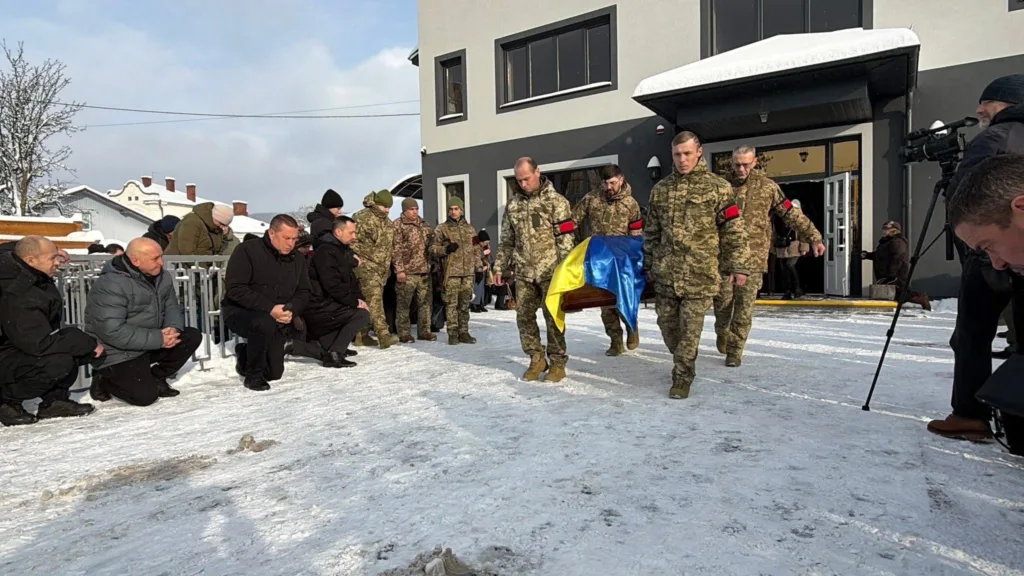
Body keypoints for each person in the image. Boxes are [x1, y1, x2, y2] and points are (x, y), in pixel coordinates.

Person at [929, 75, 1024, 441]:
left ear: (1008, 104)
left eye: (988, 103)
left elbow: (965, 201)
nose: (979, 110)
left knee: (971, 333)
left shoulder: (996, 137)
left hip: (990, 253)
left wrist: (982, 247)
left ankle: (969, 412)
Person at [644, 131, 750, 399]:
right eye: (677, 154)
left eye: (687, 153)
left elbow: (733, 230)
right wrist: (647, 265)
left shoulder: (718, 187)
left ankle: (682, 377)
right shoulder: (661, 190)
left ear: (699, 152)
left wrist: (739, 265)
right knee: (668, 327)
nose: (682, 159)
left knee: (690, 332)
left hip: (700, 275)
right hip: (667, 275)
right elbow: (651, 232)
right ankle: (683, 356)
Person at [713, 145, 825, 367]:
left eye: (746, 164)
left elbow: (790, 213)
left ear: (755, 162)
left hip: (753, 259)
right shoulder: (722, 186)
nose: (741, 169)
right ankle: (722, 332)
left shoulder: (768, 188)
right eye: (737, 164)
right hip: (724, 258)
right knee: (722, 305)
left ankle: (735, 351)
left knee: (744, 309)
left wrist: (814, 236)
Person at [84, 238, 203, 405]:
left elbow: (171, 307)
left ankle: (157, 377)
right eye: (155, 258)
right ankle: (104, 378)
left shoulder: (162, 277)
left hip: (149, 340)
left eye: (161, 257)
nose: (161, 262)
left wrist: (172, 328)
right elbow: (112, 331)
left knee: (191, 336)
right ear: (135, 261)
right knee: (144, 397)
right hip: (116, 350)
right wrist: (159, 339)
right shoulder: (111, 284)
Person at [0, 236, 102, 426]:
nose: (58, 262)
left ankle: (54, 401)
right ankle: (7, 402)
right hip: (10, 351)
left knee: (71, 348)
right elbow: (38, 344)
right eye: (52, 258)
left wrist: (53, 250)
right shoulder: (18, 291)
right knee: (61, 359)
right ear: (30, 261)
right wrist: (84, 342)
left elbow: (21, 247)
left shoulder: (21, 266)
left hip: (20, 345)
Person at [493, 157, 576, 381]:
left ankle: (558, 362)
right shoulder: (513, 205)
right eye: (519, 180)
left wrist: (565, 270)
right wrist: (499, 266)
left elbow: (566, 239)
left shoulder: (557, 202)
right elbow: (507, 240)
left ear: (538, 172)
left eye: (526, 179)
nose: (523, 184)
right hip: (524, 272)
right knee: (524, 317)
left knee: (553, 318)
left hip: (551, 272)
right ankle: (537, 358)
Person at [222, 215, 311, 391]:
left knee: (274, 373)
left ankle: (245, 354)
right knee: (263, 322)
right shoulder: (247, 251)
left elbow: (304, 291)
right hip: (243, 311)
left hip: (279, 314)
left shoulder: (297, 259)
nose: (291, 244)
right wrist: (270, 308)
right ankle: (252, 375)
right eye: (286, 238)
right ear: (271, 233)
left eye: (294, 239)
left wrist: (290, 310)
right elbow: (236, 289)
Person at [570, 164, 644, 356]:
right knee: (605, 303)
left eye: (612, 183)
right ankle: (615, 340)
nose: (608, 187)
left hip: (622, 262)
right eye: (605, 183)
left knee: (623, 298)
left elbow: (636, 237)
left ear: (621, 179)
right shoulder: (591, 199)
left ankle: (631, 328)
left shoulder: (631, 204)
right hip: (599, 260)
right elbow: (573, 221)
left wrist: (636, 260)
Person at [302, 216, 371, 367]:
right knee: (361, 314)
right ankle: (335, 353)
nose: (355, 236)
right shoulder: (326, 252)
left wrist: (360, 299)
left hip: (326, 303)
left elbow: (350, 281)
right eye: (351, 233)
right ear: (338, 232)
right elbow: (332, 285)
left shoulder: (340, 250)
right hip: (318, 306)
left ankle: (334, 347)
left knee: (358, 309)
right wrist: (355, 302)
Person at [351, 189, 398, 348]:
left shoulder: (387, 221)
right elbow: (352, 242)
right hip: (367, 268)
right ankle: (383, 336)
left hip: (381, 270)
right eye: (385, 206)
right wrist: (363, 258)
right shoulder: (361, 218)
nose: (388, 210)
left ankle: (361, 335)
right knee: (375, 302)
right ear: (377, 204)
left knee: (369, 302)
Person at [431, 197, 480, 345]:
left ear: (461, 210)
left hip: (467, 273)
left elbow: (476, 248)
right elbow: (432, 249)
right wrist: (445, 249)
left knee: (464, 304)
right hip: (451, 272)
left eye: (456, 209)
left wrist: (478, 267)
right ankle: (452, 333)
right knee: (451, 304)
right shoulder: (442, 229)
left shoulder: (470, 229)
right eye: (451, 209)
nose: (453, 212)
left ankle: (464, 332)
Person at [392, 198, 436, 342]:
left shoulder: (425, 225)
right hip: (407, 272)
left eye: (416, 208)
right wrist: (399, 270)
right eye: (411, 209)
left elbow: (431, 246)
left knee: (425, 303)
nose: (415, 211)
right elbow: (395, 250)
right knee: (404, 304)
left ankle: (424, 331)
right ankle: (404, 332)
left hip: (424, 272)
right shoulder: (398, 225)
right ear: (404, 210)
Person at [861, 221, 932, 310]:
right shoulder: (886, 242)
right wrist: (867, 255)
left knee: (898, 294)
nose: (884, 231)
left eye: (887, 229)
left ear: (894, 231)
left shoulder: (897, 242)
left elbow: (898, 258)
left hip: (896, 275)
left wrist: (891, 275)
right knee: (896, 294)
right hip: (887, 274)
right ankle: (920, 298)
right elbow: (880, 255)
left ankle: (921, 298)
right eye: (884, 229)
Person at [164, 202, 234, 256]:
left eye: (225, 225)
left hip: (200, 269)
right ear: (215, 217)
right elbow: (187, 251)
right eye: (221, 223)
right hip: (178, 267)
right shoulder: (192, 223)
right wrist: (204, 269)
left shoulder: (215, 227)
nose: (222, 227)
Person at [774, 198, 810, 299]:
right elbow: (775, 232)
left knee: (790, 265)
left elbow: (804, 233)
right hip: (782, 247)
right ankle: (787, 291)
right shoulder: (781, 217)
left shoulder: (801, 218)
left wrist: (804, 248)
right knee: (784, 270)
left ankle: (798, 288)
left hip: (794, 246)